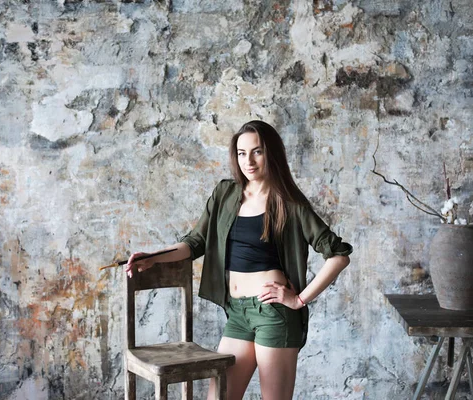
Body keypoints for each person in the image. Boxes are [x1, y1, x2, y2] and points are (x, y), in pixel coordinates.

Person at [126, 120, 353, 400]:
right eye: (242, 153)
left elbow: (339, 255)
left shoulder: (289, 203)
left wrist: (299, 300)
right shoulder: (225, 194)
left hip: (274, 315)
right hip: (237, 314)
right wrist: (155, 258)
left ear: (272, 154)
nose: (249, 161)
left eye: (257, 152)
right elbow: (194, 243)